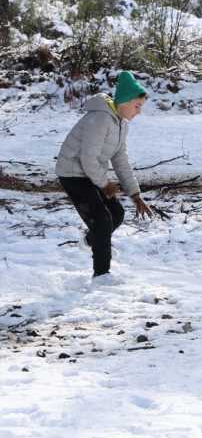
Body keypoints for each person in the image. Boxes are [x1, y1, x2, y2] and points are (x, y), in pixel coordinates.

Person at [55, 70, 156, 280]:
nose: (138, 112)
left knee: (116, 214)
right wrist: (104, 184)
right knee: (102, 220)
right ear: (125, 102)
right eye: (137, 106)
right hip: (73, 173)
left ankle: (93, 241)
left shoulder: (120, 125)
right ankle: (102, 275)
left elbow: (120, 161)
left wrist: (135, 194)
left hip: (90, 172)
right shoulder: (101, 119)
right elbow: (87, 159)